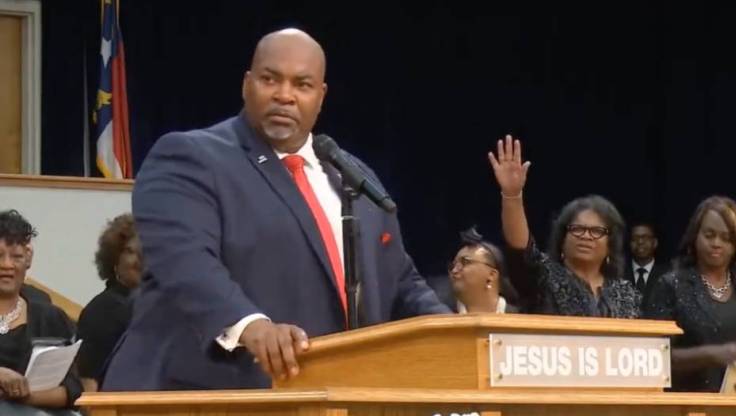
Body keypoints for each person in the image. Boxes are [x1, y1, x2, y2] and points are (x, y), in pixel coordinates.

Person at [101, 28, 449, 391]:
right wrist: (251, 325)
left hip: (327, 394)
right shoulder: (190, 157)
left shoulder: (352, 176)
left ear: (321, 96)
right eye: (270, 79)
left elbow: (400, 281)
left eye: (302, 85)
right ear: (246, 84)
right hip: (201, 393)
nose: (284, 95)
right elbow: (186, 261)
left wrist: (461, 333)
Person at [644, 196, 736, 393]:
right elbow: (651, 358)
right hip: (693, 406)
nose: (716, 243)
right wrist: (713, 354)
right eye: (709, 235)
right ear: (695, 236)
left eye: (726, 238)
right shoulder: (671, 286)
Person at [489, 136, 640, 317]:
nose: (586, 236)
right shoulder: (544, 276)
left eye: (597, 231)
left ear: (611, 243)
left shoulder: (625, 293)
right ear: (562, 238)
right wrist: (512, 195)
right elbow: (521, 249)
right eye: (577, 229)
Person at [0, 210, 82, 415]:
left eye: (16, 257)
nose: (7, 265)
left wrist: (22, 395)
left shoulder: (51, 317)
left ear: (28, 259)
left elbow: (72, 391)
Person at [76, 213, 142, 392]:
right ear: (114, 259)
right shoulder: (103, 309)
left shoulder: (161, 305)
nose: (140, 259)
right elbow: (88, 381)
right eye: (130, 251)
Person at [448, 227, 519, 314]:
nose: (454, 271)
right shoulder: (441, 316)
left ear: (491, 275)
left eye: (465, 262)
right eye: (452, 266)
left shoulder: (523, 317)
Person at [625, 223, 667, 310]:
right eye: (635, 238)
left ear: (655, 243)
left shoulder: (668, 275)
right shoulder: (618, 273)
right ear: (629, 244)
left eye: (645, 237)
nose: (640, 242)